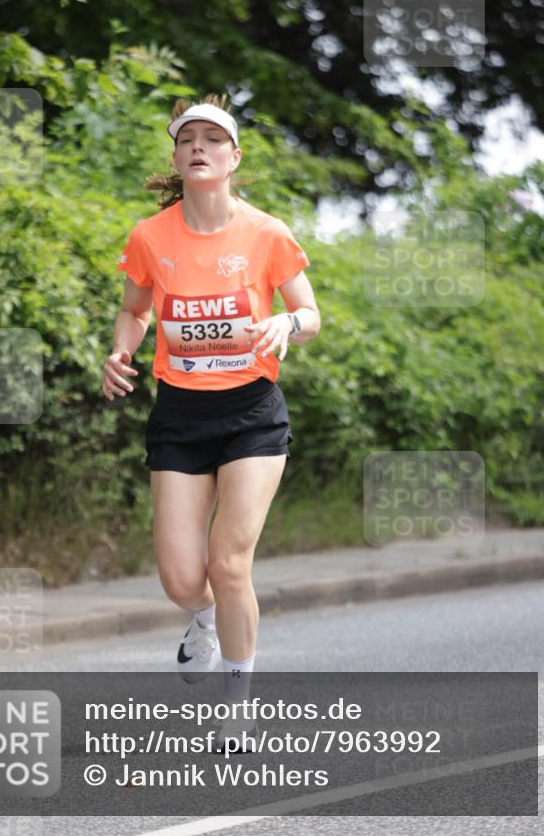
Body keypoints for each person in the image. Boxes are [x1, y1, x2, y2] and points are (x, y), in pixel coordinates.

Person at [102, 93, 320, 752]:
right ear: (176, 157)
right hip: (180, 412)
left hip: (251, 411)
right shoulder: (150, 235)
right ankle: (200, 621)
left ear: (232, 157)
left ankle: (236, 708)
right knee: (180, 577)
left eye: (211, 138)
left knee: (229, 563)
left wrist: (287, 321)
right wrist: (120, 352)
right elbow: (135, 310)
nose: (197, 147)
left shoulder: (266, 232)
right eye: (185, 139)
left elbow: (309, 313)